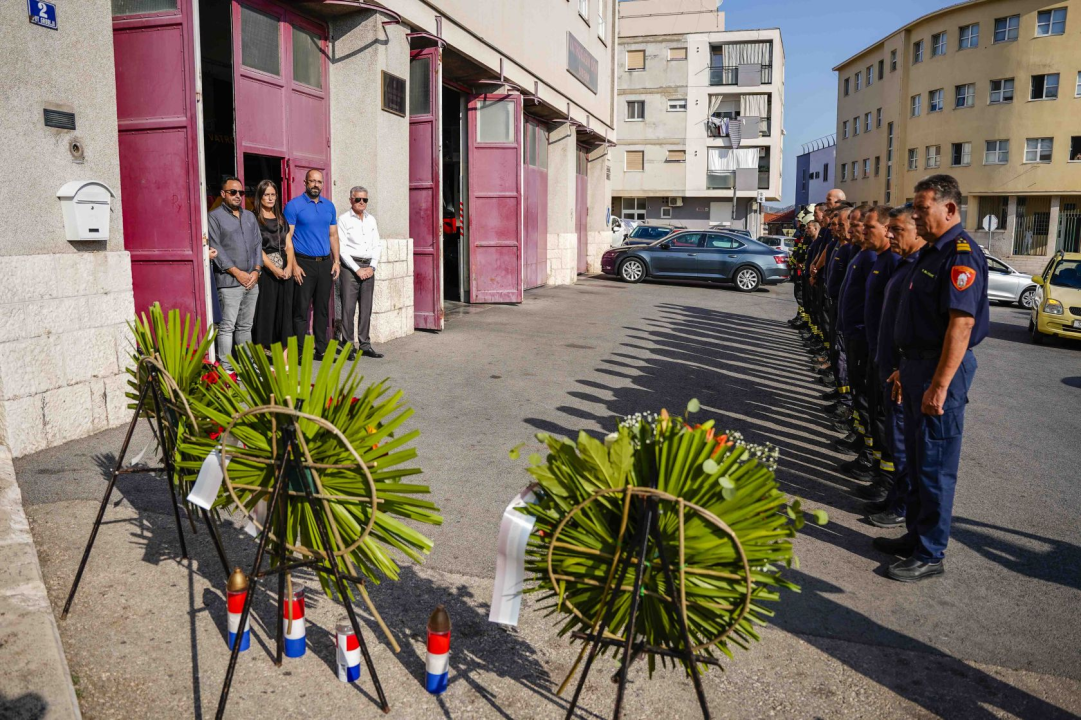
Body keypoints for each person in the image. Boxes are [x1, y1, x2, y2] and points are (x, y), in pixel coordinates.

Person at [878, 174, 989, 582]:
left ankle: (931, 553)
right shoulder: (931, 253)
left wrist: (939, 385)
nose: (918, 216)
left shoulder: (960, 255)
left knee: (936, 466)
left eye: (923, 209)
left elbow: (960, 325)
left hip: (941, 369)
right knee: (918, 458)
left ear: (950, 208)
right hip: (916, 367)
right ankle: (915, 537)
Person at [864, 205, 923, 525]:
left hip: (902, 371)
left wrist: (902, 366)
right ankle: (895, 498)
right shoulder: (903, 266)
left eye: (897, 230)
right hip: (887, 365)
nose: (890, 235)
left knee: (902, 442)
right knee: (893, 435)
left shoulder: (916, 267)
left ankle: (901, 506)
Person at [208, 177, 262, 372]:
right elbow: (216, 247)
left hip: (252, 280)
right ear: (223, 194)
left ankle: (248, 367)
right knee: (228, 326)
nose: (238, 196)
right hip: (229, 281)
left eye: (241, 192)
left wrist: (256, 271)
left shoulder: (250, 217)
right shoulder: (214, 217)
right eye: (233, 192)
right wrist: (238, 273)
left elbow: (257, 245)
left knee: (246, 327)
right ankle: (228, 368)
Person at [284, 169, 340, 360]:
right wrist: (293, 265)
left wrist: (337, 261)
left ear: (323, 184)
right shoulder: (293, 206)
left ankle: (321, 349)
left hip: (325, 264)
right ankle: (299, 352)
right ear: (305, 182)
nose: (316, 185)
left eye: (319, 181)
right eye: (312, 181)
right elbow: (287, 238)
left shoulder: (329, 206)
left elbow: (333, 236)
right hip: (303, 264)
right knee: (300, 309)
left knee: (322, 309)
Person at [337, 186, 385, 360]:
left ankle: (365, 345)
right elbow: (341, 248)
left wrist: (372, 267)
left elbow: (377, 245)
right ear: (351, 200)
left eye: (365, 200)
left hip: (369, 266)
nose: (362, 203)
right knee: (348, 309)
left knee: (366, 309)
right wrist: (357, 269)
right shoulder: (343, 220)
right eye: (358, 199)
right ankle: (348, 346)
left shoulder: (371, 220)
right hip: (350, 267)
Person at [252, 180, 295, 350]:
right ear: (260, 197)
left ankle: (283, 358)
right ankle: (262, 353)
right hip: (267, 272)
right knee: (266, 312)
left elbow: (289, 245)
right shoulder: (253, 217)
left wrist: (289, 267)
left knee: (284, 313)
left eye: (273, 195)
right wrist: (274, 269)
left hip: (285, 270)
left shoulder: (281, 217)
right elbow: (257, 249)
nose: (270, 198)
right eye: (266, 195)